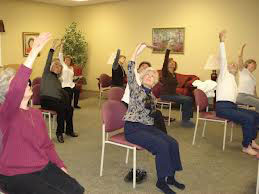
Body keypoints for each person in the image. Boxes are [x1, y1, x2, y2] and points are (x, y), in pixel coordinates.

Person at [0, 32, 85, 194]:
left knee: (76, 189)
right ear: (8, 92)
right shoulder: (6, 112)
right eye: (19, 83)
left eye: (26, 81)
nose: (26, 83)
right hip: (14, 173)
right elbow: (17, 88)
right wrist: (33, 53)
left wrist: (60, 165)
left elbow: (47, 145)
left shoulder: (36, 115)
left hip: (41, 165)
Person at [124, 43, 184, 194]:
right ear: (142, 78)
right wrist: (137, 49)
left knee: (172, 142)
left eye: (153, 76)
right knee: (161, 146)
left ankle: (170, 177)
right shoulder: (135, 89)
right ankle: (161, 181)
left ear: (155, 81)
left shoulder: (152, 96)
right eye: (147, 75)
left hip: (147, 127)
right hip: (133, 128)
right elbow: (131, 69)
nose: (150, 77)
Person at [215, 30, 259, 156]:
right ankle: (246, 146)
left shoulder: (234, 80)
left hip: (232, 106)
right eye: (231, 64)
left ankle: (251, 140)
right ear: (226, 68)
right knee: (248, 118)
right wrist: (222, 42)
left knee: (255, 115)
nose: (233, 64)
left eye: (234, 64)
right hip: (222, 107)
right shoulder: (224, 75)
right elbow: (223, 59)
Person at [40, 39, 78, 144]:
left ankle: (69, 130)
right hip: (46, 100)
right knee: (61, 109)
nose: (58, 67)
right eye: (56, 65)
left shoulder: (58, 80)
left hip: (56, 100)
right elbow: (48, 60)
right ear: (51, 67)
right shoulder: (46, 74)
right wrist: (53, 48)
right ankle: (59, 133)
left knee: (69, 108)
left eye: (60, 67)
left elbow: (61, 93)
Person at [159, 43, 194, 128]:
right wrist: (168, 50)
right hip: (166, 95)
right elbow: (165, 60)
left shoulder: (174, 74)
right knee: (186, 100)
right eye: (170, 62)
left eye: (173, 63)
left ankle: (187, 119)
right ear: (166, 64)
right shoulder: (165, 72)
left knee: (189, 98)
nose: (172, 64)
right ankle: (185, 121)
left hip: (173, 94)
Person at [236, 44, 259, 112]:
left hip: (250, 96)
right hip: (242, 96)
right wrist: (240, 53)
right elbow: (240, 60)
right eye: (252, 63)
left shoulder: (253, 78)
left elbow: (254, 91)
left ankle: (256, 118)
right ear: (247, 64)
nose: (254, 65)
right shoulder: (243, 71)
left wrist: (257, 98)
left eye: (255, 64)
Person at [59, 42, 81, 109]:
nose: (67, 61)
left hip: (71, 84)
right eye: (66, 59)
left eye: (69, 60)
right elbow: (60, 55)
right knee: (70, 93)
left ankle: (75, 104)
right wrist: (62, 45)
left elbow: (72, 77)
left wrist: (78, 77)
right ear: (64, 60)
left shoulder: (71, 68)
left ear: (70, 61)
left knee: (77, 90)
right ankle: (68, 106)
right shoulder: (62, 65)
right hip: (64, 84)